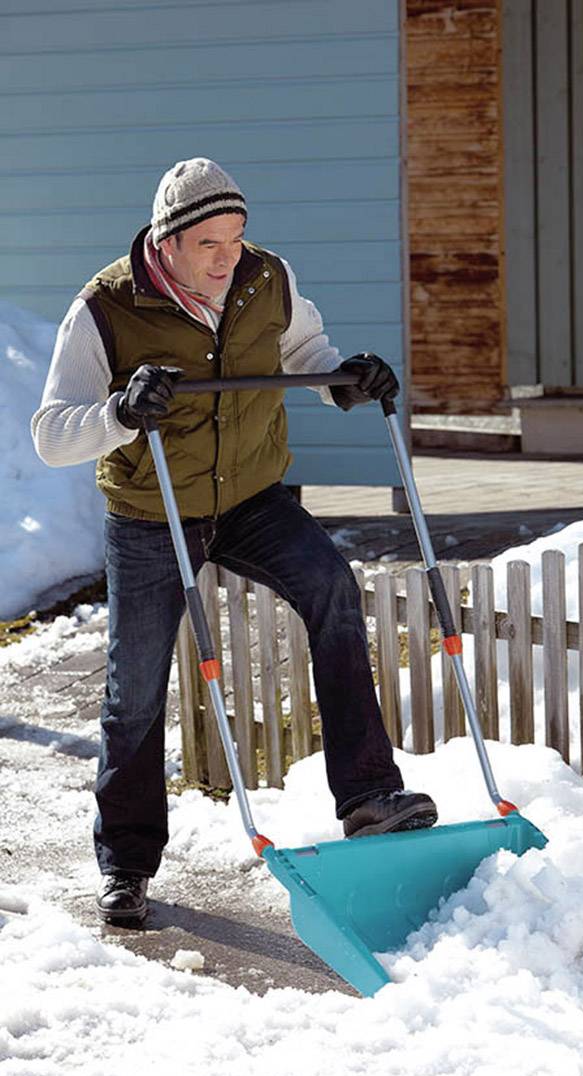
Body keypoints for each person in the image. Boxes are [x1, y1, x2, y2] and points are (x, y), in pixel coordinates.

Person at [31, 157, 437, 925]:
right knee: (135, 689)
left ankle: (371, 796)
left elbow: (304, 355)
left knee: (331, 589)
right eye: (210, 244)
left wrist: (345, 378)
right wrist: (120, 411)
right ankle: (126, 862)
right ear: (168, 241)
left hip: (251, 495)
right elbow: (52, 434)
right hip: (155, 510)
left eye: (237, 238)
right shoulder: (105, 309)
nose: (228, 259)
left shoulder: (267, 279)